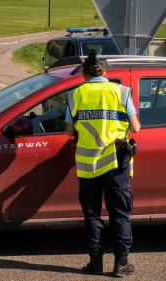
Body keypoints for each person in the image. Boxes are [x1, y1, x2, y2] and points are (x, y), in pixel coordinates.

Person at [65, 53, 141, 277]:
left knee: (92, 214)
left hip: (88, 166)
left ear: (84, 74)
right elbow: (136, 128)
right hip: (117, 164)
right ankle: (121, 264)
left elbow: (69, 131)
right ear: (106, 73)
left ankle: (96, 262)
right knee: (120, 213)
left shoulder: (76, 93)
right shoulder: (121, 91)